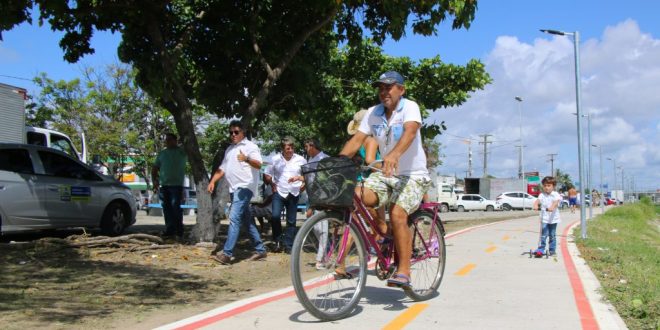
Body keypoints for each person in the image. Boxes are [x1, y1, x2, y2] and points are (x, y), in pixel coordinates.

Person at [339, 71, 431, 289]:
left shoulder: (410, 107)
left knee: (398, 214)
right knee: (357, 195)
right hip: (386, 175)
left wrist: (393, 155)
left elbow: (409, 133)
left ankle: (404, 271)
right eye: (380, 88)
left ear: (401, 89)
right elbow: (357, 140)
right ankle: (385, 237)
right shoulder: (373, 113)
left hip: (413, 175)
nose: (384, 92)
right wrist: (338, 162)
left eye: (388, 87)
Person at [207, 121, 267, 264]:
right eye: (231, 132)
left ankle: (227, 254)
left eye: (236, 132)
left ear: (243, 133)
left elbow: (259, 164)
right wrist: (212, 181)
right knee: (247, 220)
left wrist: (246, 159)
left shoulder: (251, 147)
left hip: (245, 187)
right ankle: (260, 250)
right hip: (234, 189)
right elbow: (222, 169)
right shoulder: (230, 150)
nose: (233, 135)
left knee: (234, 218)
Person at [264, 137, 307, 253]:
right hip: (279, 191)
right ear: (282, 149)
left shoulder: (301, 160)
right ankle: (277, 241)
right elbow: (267, 174)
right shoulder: (275, 159)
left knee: (291, 221)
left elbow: (307, 175)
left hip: (294, 192)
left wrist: (304, 184)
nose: (290, 150)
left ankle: (289, 245)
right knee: (275, 216)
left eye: (292, 148)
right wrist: (271, 184)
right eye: (288, 148)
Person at [151, 133, 188, 239]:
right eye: (166, 140)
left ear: (175, 141)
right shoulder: (162, 154)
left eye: (170, 139)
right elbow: (155, 168)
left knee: (175, 207)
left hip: (176, 185)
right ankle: (169, 229)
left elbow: (187, 143)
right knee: (166, 208)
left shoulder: (181, 152)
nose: (167, 141)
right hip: (164, 185)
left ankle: (179, 230)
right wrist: (155, 181)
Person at [533, 176, 562, 256]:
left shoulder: (555, 194)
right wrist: (535, 205)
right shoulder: (542, 195)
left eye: (549, 186)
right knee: (543, 234)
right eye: (545, 185)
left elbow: (556, 202)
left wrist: (552, 207)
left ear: (553, 186)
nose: (546, 187)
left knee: (552, 235)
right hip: (544, 218)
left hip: (553, 219)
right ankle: (541, 249)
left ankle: (552, 250)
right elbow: (537, 201)